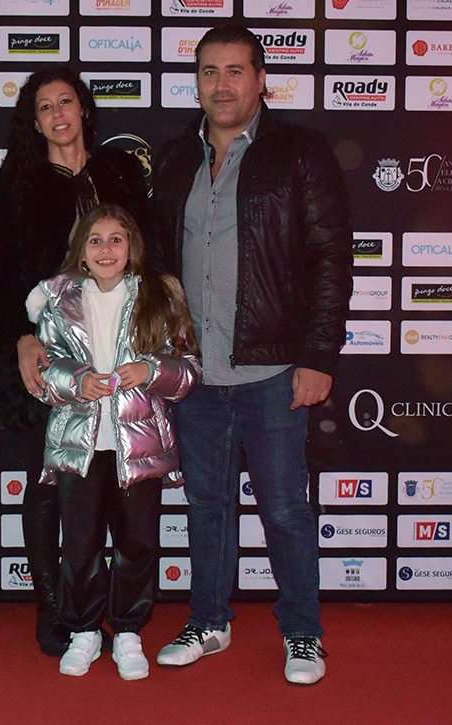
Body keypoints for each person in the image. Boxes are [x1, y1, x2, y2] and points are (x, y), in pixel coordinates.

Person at [151, 25, 353, 685]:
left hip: (272, 369)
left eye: (235, 71)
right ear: (197, 82)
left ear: (262, 79)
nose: (222, 85)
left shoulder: (300, 152)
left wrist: (319, 356)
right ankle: (209, 620)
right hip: (195, 371)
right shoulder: (176, 157)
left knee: (285, 509)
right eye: (209, 72)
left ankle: (303, 634)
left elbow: (331, 258)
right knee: (206, 505)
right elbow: (157, 258)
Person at [0, 66, 153, 657]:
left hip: (118, 355)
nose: (58, 114)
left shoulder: (119, 171)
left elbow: (152, 254)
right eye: (44, 106)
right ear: (33, 122)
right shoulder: (17, 183)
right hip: (45, 358)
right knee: (49, 485)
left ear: (84, 109)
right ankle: (52, 606)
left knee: (116, 490)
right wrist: (20, 339)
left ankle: (114, 613)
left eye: (66, 101)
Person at [27, 203, 201, 680]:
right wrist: (75, 381)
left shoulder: (158, 297)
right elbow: (45, 372)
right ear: (81, 250)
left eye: (116, 239)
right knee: (79, 544)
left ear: (132, 247)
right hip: (78, 446)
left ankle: (127, 631)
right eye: (95, 240)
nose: (106, 250)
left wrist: (150, 369)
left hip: (139, 447)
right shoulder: (58, 302)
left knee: (137, 543)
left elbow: (189, 369)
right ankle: (83, 631)